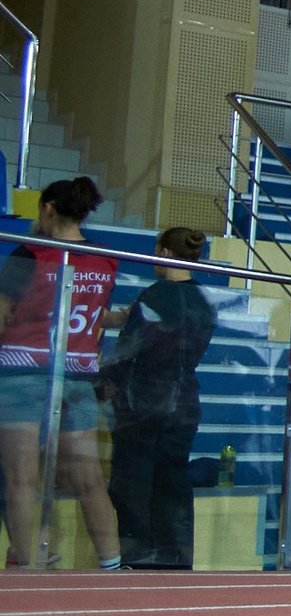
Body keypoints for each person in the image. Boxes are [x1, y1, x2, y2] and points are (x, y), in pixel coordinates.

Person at [0, 177, 123, 570]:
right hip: (77, 377)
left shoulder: (31, 252)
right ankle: (112, 565)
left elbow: (1, 314)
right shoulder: (106, 258)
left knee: (21, 480)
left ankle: (30, 562)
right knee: (90, 481)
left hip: (24, 371)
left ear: (48, 208)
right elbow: (96, 313)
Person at [101, 228, 219, 569]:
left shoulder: (153, 296)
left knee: (133, 480)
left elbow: (131, 350)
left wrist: (106, 381)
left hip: (144, 399)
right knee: (174, 481)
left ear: (164, 253)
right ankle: (177, 557)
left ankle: (138, 555)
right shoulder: (203, 299)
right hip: (184, 400)